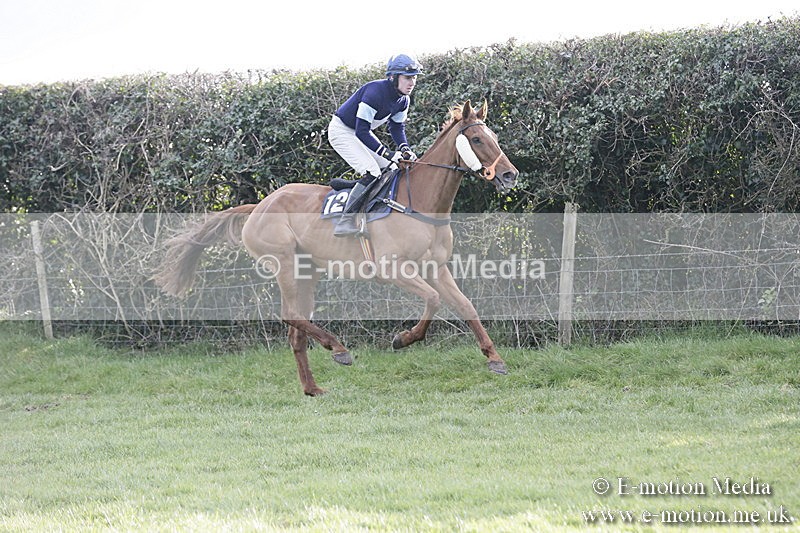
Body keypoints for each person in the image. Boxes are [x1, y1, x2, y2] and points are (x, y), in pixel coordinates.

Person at [327, 53, 422, 236]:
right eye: (407, 77)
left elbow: (396, 128)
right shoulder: (375, 92)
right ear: (393, 77)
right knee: (372, 171)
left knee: (393, 168)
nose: (412, 83)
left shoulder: (403, 100)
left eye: (414, 78)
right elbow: (362, 130)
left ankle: (368, 198)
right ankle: (345, 221)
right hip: (342, 131)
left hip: (359, 133)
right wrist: (387, 153)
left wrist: (405, 148)